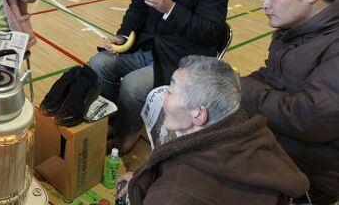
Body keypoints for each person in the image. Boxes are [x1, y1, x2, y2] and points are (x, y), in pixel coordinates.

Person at [88, 0, 229, 153]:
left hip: (182, 57)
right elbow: (136, 9)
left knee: (133, 87)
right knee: (99, 64)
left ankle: (127, 134)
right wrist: (123, 36)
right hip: (148, 46)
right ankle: (114, 120)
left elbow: (212, 33)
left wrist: (171, 9)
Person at [117, 55, 309, 204]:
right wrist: (141, 179)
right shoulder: (255, 134)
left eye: (171, 91)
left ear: (199, 115)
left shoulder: (174, 193)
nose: (163, 96)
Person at [241, 0, 339, 204]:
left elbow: (311, 117)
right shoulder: (293, 31)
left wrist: (241, 89)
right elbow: (271, 75)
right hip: (275, 145)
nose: (264, 4)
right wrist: (227, 84)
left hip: (312, 175)